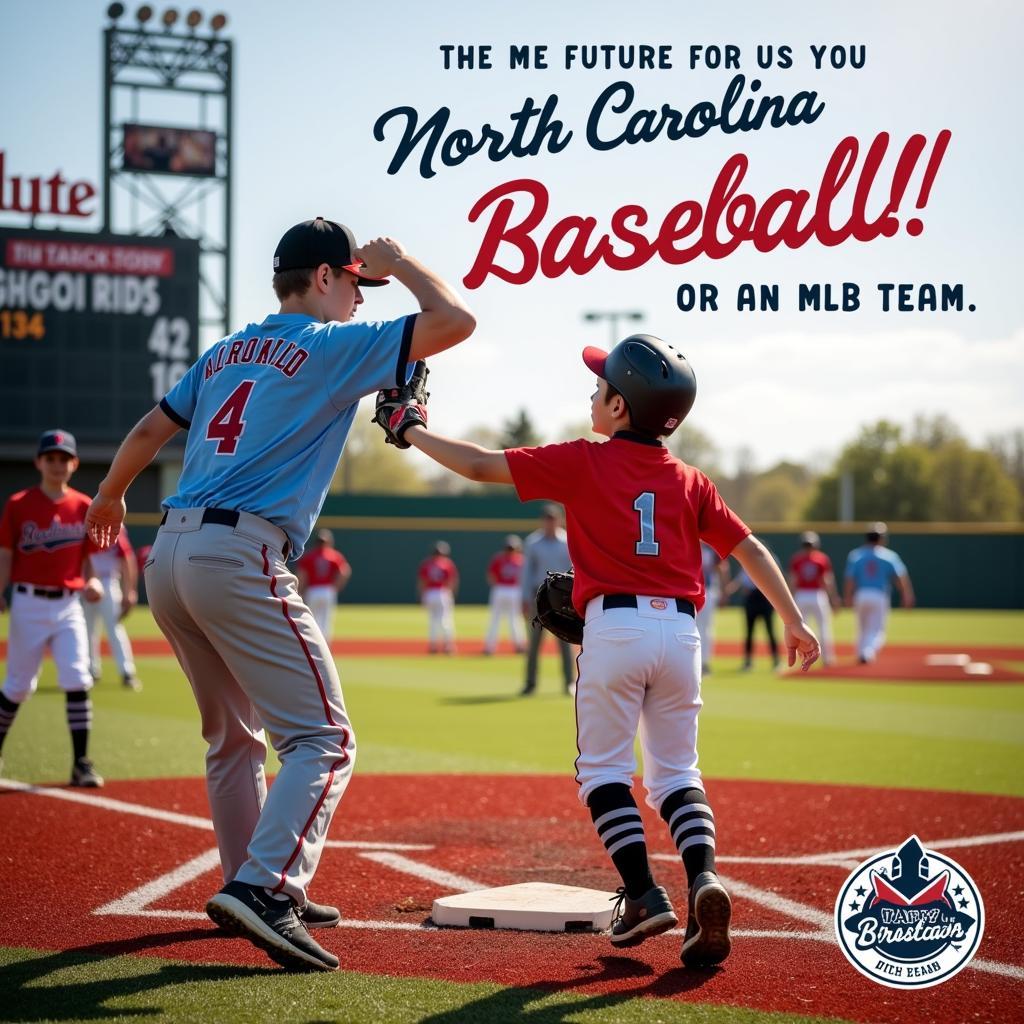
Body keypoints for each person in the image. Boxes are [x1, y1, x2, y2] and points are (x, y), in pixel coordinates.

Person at [84, 218, 475, 972]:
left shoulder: (225, 350)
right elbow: (455, 322)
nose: (362, 300)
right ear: (325, 277)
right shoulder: (328, 346)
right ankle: (265, 888)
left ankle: (251, 883)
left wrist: (106, 498)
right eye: (356, 284)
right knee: (324, 740)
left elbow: (147, 429)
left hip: (169, 553)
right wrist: (407, 264)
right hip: (239, 551)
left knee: (232, 740)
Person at [382, 333, 819, 967]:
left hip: (613, 629)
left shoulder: (584, 460)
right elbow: (749, 548)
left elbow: (478, 464)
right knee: (676, 774)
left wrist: (412, 428)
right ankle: (702, 880)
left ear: (619, 408)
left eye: (600, 385)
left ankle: (643, 894)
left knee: (603, 772)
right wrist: (796, 620)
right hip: (681, 634)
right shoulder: (693, 480)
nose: (593, 392)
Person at [0, 430, 105, 787]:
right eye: (51, 458)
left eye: (64, 459)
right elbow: (6, 554)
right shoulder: (19, 503)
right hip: (28, 602)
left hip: (68, 605)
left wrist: (92, 581)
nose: (57, 464)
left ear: (74, 464)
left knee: (78, 677)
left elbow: (88, 560)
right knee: (17, 686)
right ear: (39, 462)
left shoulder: (83, 505)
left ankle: (80, 763)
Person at [520, 505, 575, 695]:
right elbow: (527, 572)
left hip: (562, 596)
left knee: (565, 639)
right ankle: (530, 682)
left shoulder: (566, 540)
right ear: (543, 521)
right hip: (539, 595)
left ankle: (569, 682)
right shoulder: (533, 542)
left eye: (553, 519)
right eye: (547, 519)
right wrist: (524, 597)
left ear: (559, 520)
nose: (550, 522)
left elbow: (574, 569)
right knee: (534, 641)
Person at [844, 522, 915, 664]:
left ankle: (861, 653)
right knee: (877, 631)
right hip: (879, 595)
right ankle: (867, 652)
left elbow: (850, 579)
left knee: (862, 628)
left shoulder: (856, 555)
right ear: (882, 538)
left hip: (861, 594)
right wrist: (906, 595)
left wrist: (848, 596)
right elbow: (900, 577)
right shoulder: (889, 556)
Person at [84, 524, 142, 690]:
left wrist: (129, 591)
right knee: (88, 629)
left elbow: (128, 560)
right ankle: (90, 670)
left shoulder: (115, 532)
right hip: (88, 583)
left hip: (109, 582)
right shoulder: (87, 532)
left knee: (114, 628)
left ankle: (126, 672)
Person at [788, 531, 839, 665]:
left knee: (801, 629)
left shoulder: (797, 559)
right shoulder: (821, 558)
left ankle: (804, 657)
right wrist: (833, 598)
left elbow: (793, 581)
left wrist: (790, 600)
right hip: (817, 595)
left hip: (801, 596)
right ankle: (827, 658)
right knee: (823, 627)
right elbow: (827, 581)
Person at [295, 528, 351, 642]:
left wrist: (300, 591)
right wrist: (335, 588)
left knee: (311, 620)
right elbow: (345, 572)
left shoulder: (309, 556)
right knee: (326, 622)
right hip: (327, 590)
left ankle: (312, 644)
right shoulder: (334, 555)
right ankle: (325, 649)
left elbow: (302, 576)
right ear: (329, 542)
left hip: (312, 591)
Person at [725, 563, 781, 671]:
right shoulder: (745, 565)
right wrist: (727, 590)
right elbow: (738, 582)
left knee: (770, 631)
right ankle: (748, 661)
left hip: (765, 598)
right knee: (749, 632)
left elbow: (775, 580)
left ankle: (776, 660)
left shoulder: (767, 565)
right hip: (751, 599)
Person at [483, 535, 526, 655]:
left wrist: (497, 586)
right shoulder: (521, 560)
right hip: (513, 590)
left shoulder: (498, 558)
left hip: (501, 589)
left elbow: (490, 576)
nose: (510, 550)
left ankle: (489, 647)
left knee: (496, 619)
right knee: (514, 619)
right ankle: (519, 646)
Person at [694, 542, 729, 674]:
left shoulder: (710, 548)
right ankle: (692, 661)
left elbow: (722, 568)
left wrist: (724, 592)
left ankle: (704, 663)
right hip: (688, 591)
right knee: (690, 626)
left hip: (707, 591)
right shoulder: (687, 541)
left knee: (706, 628)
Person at [418, 541, 458, 654]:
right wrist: (450, 594)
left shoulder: (426, 564)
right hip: (442, 592)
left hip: (430, 593)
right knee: (445, 619)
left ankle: (433, 646)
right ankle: (448, 646)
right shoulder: (447, 564)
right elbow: (452, 581)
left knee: (433, 621)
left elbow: (422, 582)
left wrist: (423, 596)